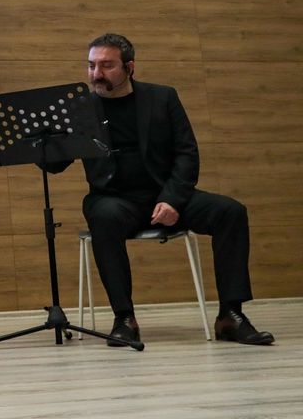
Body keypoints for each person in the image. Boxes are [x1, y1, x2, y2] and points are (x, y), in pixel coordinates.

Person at [46, 33, 273, 346]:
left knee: (230, 212)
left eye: (107, 65)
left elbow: (187, 153)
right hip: (114, 199)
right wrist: (45, 143)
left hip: (164, 194)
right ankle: (124, 318)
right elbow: (56, 165)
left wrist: (172, 200)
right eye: (91, 65)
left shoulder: (162, 97)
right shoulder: (82, 109)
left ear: (130, 67)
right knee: (104, 217)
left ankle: (230, 316)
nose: (96, 73)